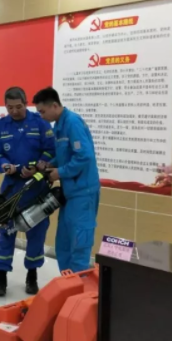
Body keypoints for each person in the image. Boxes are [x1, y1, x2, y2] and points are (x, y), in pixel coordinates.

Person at [0, 87, 55, 297]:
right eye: (10, 108)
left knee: (36, 234)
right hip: (10, 190)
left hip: (36, 189)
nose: (14, 111)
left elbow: (51, 151)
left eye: (18, 107)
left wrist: (37, 166)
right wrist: (4, 165)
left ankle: (32, 276)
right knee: (6, 233)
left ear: (26, 104)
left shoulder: (40, 123)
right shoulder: (1, 125)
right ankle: (1, 277)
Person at [32, 87, 99, 273]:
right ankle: (67, 284)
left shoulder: (73, 123)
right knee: (63, 244)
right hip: (68, 193)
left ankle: (78, 288)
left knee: (79, 244)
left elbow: (84, 157)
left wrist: (59, 172)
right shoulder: (59, 126)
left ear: (54, 105)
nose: (41, 116)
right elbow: (65, 155)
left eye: (42, 112)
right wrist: (49, 164)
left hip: (83, 193)